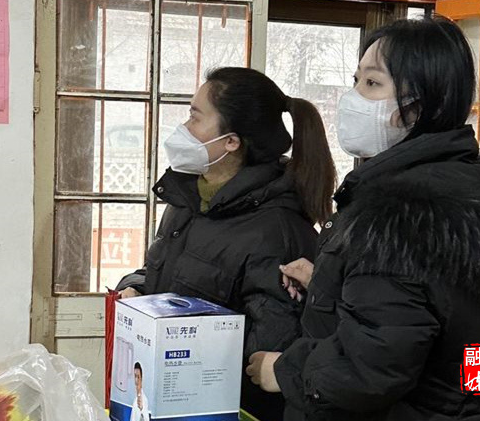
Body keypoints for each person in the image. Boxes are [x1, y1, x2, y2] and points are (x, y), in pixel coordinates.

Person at [245, 16, 480, 421]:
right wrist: (332, 285)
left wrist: (282, 370)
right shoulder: (469, 190)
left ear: (416, 106)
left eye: (372, 83)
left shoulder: (401, 215)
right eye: (356, 80)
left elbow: (371, 369)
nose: (353, 97)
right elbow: (471, 341)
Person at [116, 67, 336, 420]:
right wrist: (137, 289)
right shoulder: (188, 200)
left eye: (195, 117)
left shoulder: (275, 230)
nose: (184, 128)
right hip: (166, 398)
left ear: (231, 141)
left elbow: (268, 352)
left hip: (222, 409)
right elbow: (164, 273)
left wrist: (186, 349)